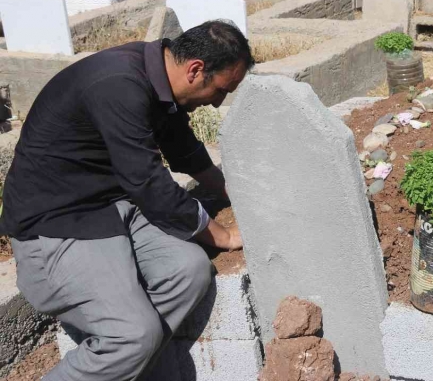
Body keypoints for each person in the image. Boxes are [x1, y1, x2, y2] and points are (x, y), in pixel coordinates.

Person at [0, 20, 253, 380]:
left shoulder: (157, 74)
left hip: (114, 205)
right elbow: (149, 182)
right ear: (196, 70)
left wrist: (232, 191)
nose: (217, 103)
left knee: (190, 272)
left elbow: (182, 149)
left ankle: (126, 363)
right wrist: (224, 236)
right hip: (59, 223)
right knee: (134, 334)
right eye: (222, 90)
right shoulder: (118, 84)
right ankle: (125, 347)